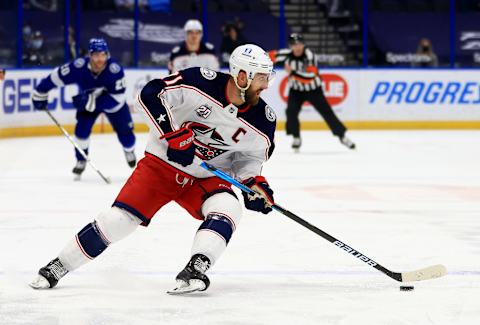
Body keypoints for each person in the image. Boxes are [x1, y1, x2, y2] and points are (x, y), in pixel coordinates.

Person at [30, 44, 277, 294]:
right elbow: (150, 94)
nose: (266, 85)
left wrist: (253, 183)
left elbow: (248, 158)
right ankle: (58, 265)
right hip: (162, 166)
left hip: (205, 177)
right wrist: (173, 135)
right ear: (242, 76)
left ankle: (196, 268)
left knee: (228, 207)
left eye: (268, 76)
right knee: (118, 221)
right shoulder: (199, 82)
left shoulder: (263, 119)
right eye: (262, 77)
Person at [32, 38, 137, 178]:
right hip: (88, 103)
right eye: (96, 55)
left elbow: (117, 98)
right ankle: (81, 159)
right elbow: (55, 77)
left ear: (107, 55)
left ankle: (128, 150)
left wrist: (93, 102)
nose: (100, 59)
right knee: (81, 132)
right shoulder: (78, 67)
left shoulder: (115, 71)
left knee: (127, 137)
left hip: (113, 105)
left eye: (103, 55)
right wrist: (40, 91)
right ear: (89, 55)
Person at [269, 33, 355, 151]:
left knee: (327, 112)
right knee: (291, 112)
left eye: (300, 44)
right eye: (294, 45)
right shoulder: (285, 54)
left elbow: (311, 76)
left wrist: (293, 73)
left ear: (304, 44)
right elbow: (267, 57)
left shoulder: (310, 56)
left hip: (313, 90)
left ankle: (342, 136)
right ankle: (296, 137)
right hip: (296, 90)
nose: (297, 47)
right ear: (290, 46)